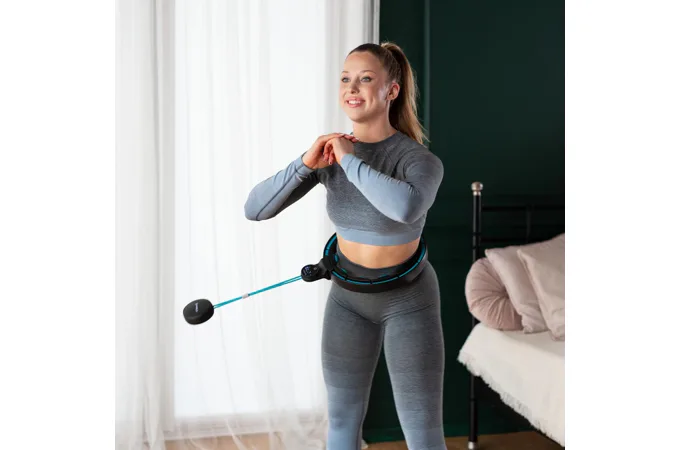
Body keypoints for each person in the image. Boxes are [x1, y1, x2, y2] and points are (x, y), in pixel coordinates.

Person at [244, 42, 446, 450]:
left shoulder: (418, 160)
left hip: (409, 301)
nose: (352, 88)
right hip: (348, 301)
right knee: (341, 421)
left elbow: (405, 208)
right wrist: (306, 164)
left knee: (422, 430)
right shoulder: (329, 156)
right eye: (345, 79)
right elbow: (255, 209)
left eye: (365, 79)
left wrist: (351, 160)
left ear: (391, 91)